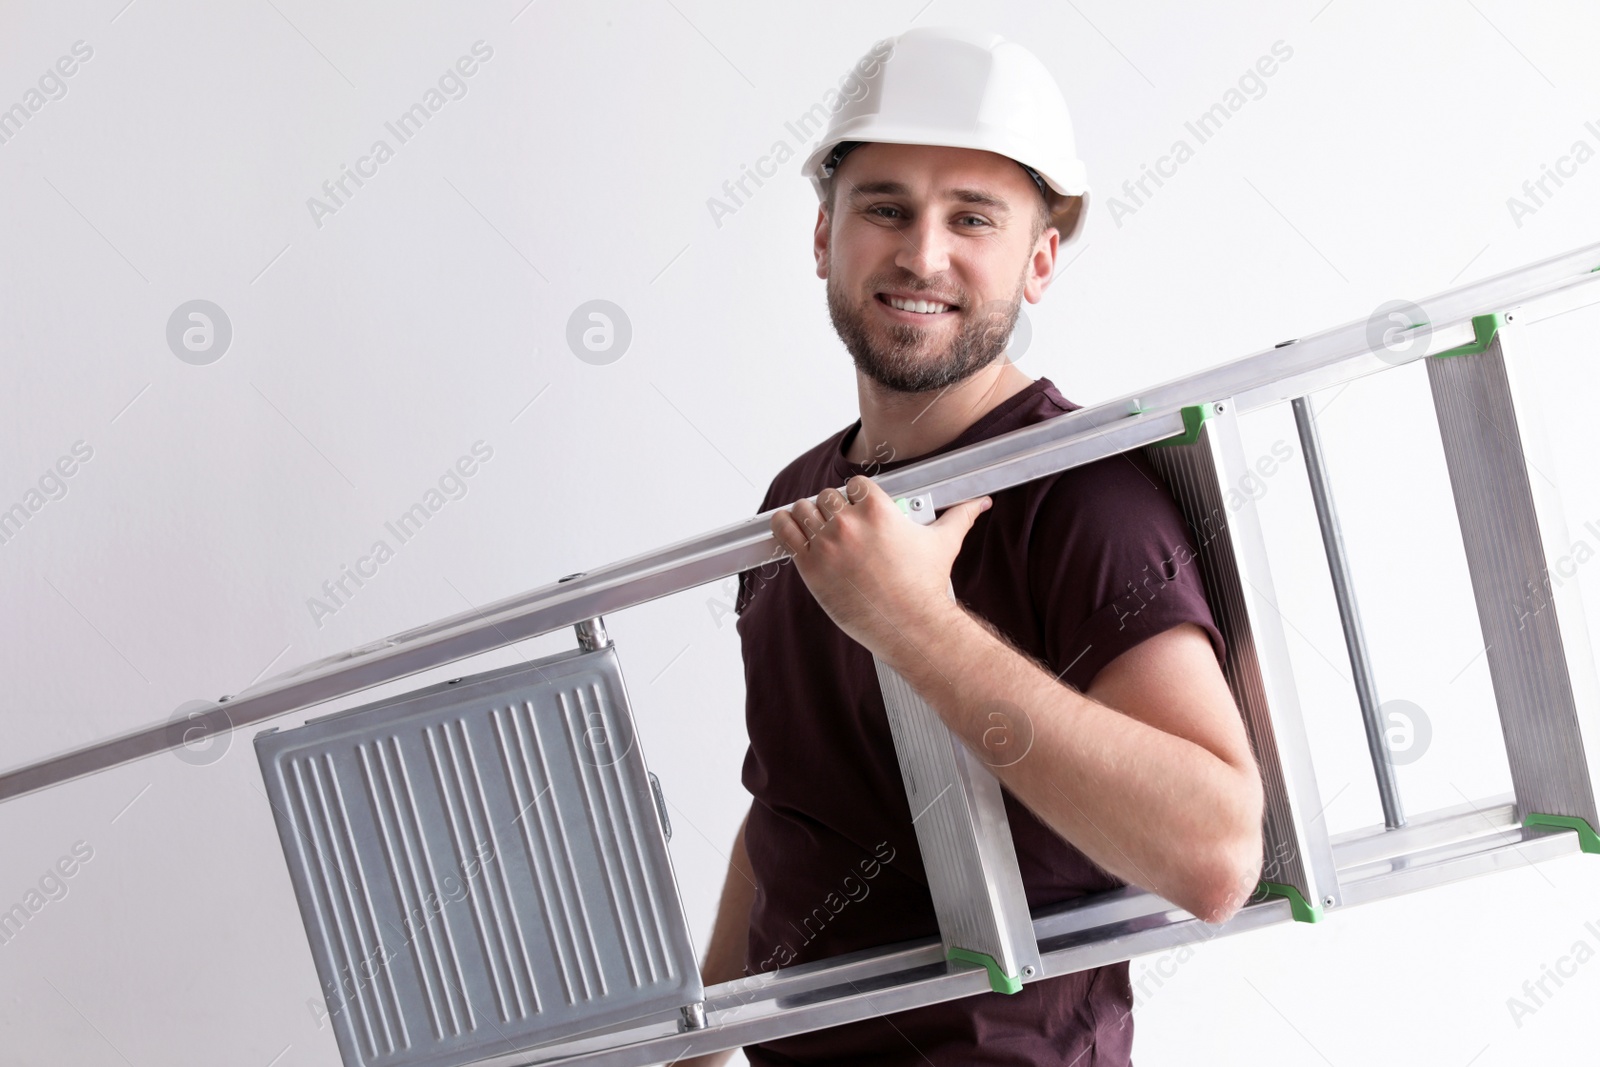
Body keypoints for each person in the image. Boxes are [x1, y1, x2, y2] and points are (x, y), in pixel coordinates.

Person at [685, 27, 1264, 1066]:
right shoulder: (797, 497)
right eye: (885, 207)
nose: (921, 252)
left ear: (1037, 260)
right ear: (823, 236)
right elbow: (787, 807)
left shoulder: (1083, 495)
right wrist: (687, 1046)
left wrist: (913, 623)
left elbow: (1214, 851)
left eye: (972, 218)